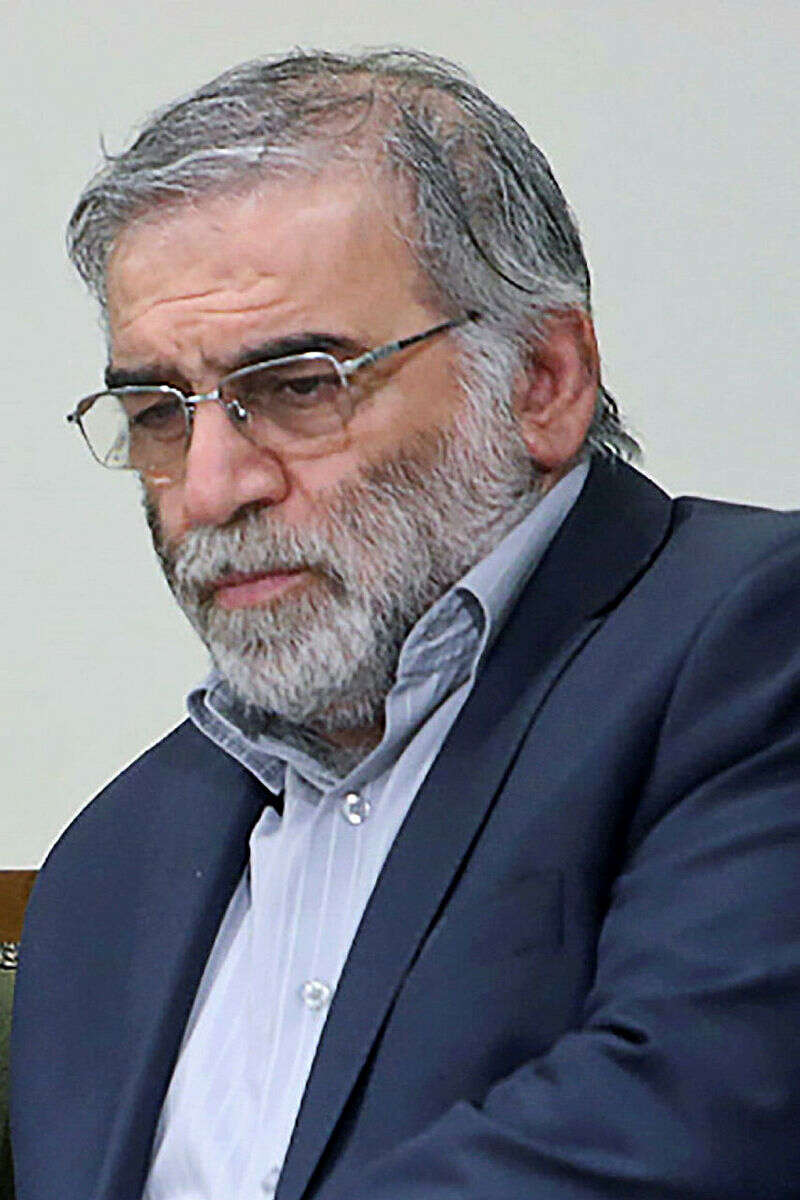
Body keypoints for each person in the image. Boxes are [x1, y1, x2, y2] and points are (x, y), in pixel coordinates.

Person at [10, 48, 800, 1200]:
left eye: (296, 385)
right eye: (158, 412)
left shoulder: (751, 646)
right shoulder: (110, 865)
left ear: (541, 379)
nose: (211, 487)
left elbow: (698, 1125)